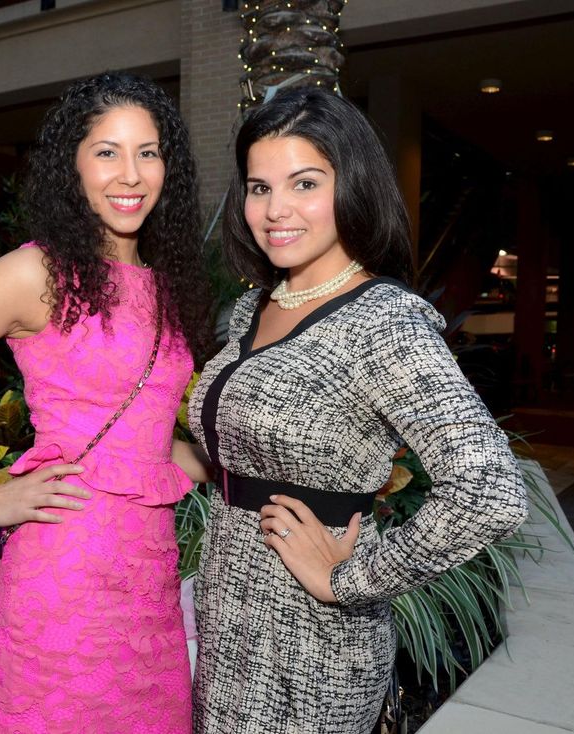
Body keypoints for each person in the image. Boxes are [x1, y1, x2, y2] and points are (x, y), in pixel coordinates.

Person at [0, 72, 212, 733]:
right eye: (107, 151)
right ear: (72, 166)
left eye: (148, 151)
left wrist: (237, 464)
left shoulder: (167, 286)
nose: (130, 172)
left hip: (149, 584)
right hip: (63, 577)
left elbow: (143, 445)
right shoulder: (38, 274)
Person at [186, 86, 529, 733]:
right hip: (227, 619)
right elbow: (252, 452)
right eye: (259, 187)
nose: (275, 209)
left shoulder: (384, 320)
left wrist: (353, 579)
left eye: (304, 183)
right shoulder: (255, 305)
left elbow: (489, 492)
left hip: (313, 640)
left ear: (353, 186)